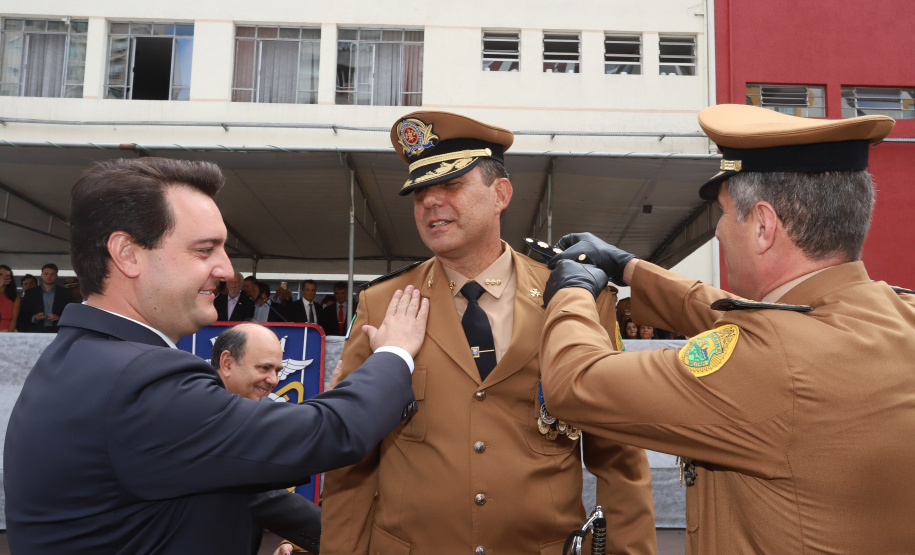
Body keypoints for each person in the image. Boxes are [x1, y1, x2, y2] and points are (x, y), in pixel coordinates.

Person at [4, 157, 428, 555]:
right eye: (204, 250)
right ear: (127, 253)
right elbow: (326, 434)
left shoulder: (79, 359)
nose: (227, 270)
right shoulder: (138, 377)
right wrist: (393, 354)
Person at [540, 104, 915, 553]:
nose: (718, 231)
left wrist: (571, 292)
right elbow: (749, 323)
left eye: (723, 212)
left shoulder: (772, 362)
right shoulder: (896, 311)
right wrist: (631, 269)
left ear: (763, 226)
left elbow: (575, 383)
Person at [322, 111, 656, 554]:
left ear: (500, 194)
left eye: (451, 185)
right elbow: (352, 459)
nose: (430, 203)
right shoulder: (383, 304)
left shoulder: (575, 298)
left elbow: (619, 456)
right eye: (420, 192)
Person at [211, 323, 323, 555]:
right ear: (227, 363)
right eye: (264, 368)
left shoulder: (239, 416)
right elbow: (263, 497)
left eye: (278, 371)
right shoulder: (205, 420)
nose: (273, 380)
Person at [19, 262, 69, 332]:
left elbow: (70, 313)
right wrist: (34, 317)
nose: (49, 277)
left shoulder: (65, 293)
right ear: (41, 275)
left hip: (58, 330)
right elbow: (23, 314)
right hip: (35, 330)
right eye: (46, 274)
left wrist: (59, 318)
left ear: (56, 276)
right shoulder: (30, 293)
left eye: (52, 274)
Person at [0, 264, 20, 332]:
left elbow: (14, 319)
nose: (3, 277)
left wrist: (9, 335)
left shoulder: (15, 296)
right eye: (0, 274)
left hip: (8, 330)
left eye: (6, 275)